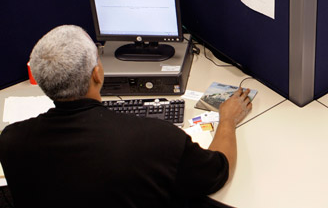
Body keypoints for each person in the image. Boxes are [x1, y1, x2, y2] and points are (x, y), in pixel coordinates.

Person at [0, 25, 252, 208]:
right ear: (98, 73)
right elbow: (219, 172)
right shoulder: (155, 139)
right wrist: (227, 119)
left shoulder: (11, 140)